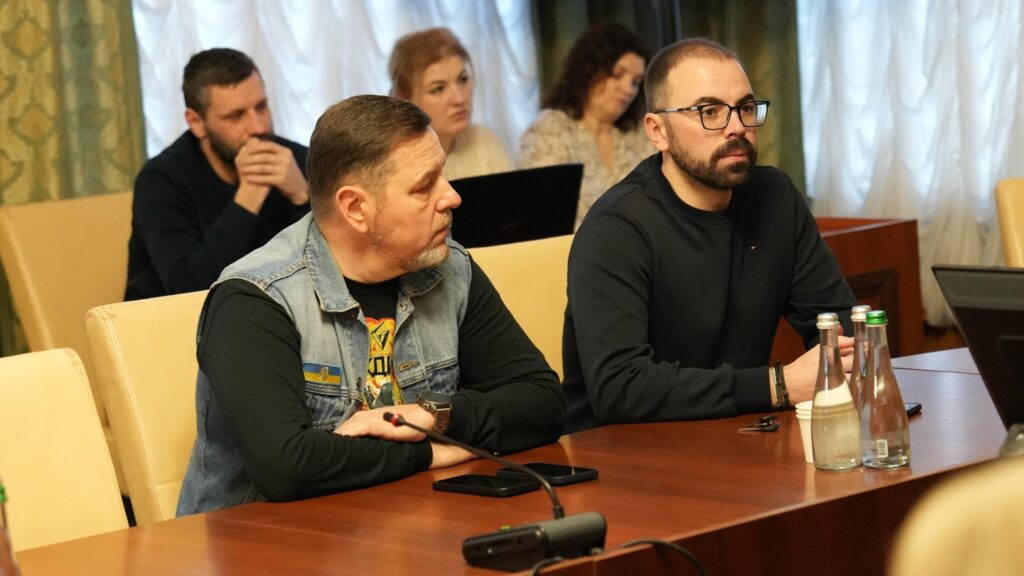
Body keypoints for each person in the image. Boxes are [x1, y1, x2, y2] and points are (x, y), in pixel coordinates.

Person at [176, 95, 565, 515]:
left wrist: (432, 417)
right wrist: (429, 453)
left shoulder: (448, 267)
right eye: (424, 186)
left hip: (403, 522)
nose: (452, 197)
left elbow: (542, 403)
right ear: (355, 208)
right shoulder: (255, 298)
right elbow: (287, 467)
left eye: (443, 176)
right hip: (263, 540)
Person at [562, 38, 857, 433]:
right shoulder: (616, 227)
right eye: (710, 111)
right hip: (621, 450)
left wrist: (842, 358)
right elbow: (621, 387)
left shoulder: (775, 198)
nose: (737, 127)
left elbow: (839, 323)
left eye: (746, 108)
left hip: (736, 434)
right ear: (658, 131)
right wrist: (777, 385)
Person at [125, 48, 310, 300]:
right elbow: (190, 289)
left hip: (268, 312)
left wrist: (302, 198)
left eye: (261, 106)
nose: (258, 127)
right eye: (236, 116)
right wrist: (248, 199)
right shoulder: (160, 181)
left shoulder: (298, 161)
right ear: (196, 123)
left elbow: (333, 270)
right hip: (169, 319)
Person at [519, 23, 654, 227]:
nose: (628, 89)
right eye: (618, 74)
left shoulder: (640, 133)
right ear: (589, 71)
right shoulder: (550, 129)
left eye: (635, 82)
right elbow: (545, 216)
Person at [389, 27, 512, 181]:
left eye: (463, 79)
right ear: (404, 98)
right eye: (438, 89)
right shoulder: (392, 163)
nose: (459, 99)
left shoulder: (484, 141)